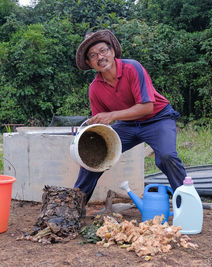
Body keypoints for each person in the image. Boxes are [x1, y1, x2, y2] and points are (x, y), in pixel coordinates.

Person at [74, 29, 186, 203]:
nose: (100, 57)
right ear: (89, 63)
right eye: (93, 55)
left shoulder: (132, 67)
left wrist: (111, 115)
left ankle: (186, 201)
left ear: (112, 51)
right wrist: (88, 135)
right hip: (128, 125)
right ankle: (74, 206)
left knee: (166, 156)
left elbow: (147, 106)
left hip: (157, 118)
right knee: (94, 155)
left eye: (103, 51)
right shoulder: (95, 88)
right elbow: (102, 128)